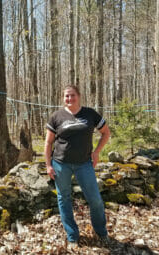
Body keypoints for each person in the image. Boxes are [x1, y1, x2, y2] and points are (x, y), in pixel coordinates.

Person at [44, 85, 111, 245]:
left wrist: (96, 152)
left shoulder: (90, 113)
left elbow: (106, 133)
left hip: (84, 164)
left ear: (79, 96)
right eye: (66, 96)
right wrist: (48, 165)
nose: (69, 99)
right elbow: (48, 142)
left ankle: (101, 232)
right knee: (64, 198)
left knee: (95, 199)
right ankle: (72, 235)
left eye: (72, 95)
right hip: (61, 164)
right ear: (63, 98)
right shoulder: (56, 116)